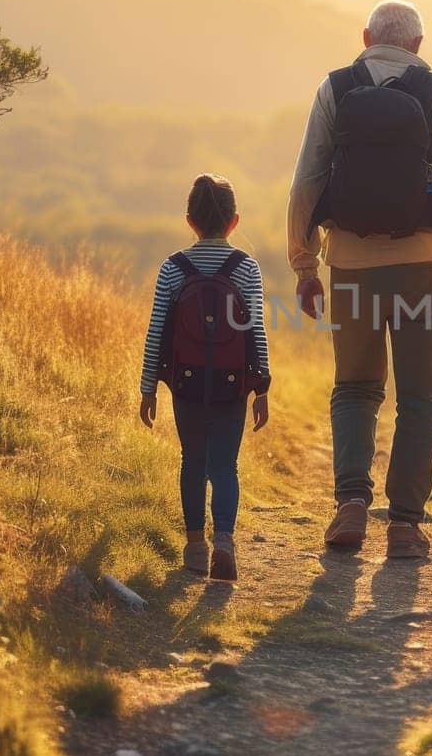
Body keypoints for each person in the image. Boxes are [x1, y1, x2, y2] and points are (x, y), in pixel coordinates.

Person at [287, 0, 432, 558]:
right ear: (418, 47)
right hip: (421, 264)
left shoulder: (335, 88)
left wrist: (305, 265)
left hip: (349, 261)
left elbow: (306, 180)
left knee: (354, 386)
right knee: (419, 393)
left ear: (365, 36)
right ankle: (404, 524)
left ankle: (351, 503)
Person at [140, 174, 271, 582]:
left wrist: (148, 387)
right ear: (234, 222)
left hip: (187, 382)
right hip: (233, 385)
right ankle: (226, 543)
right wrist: (261, 387)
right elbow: (256, 331)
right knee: (226, 466)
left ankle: (196, 546)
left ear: (189, 221)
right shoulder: (246, 267)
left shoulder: (173, 268)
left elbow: (156, 328)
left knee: (192, 462)